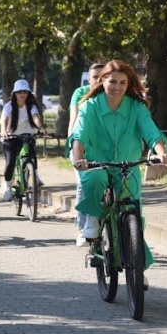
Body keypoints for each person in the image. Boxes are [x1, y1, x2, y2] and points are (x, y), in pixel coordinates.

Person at [69, 60, 167, 264]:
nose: (117, 87)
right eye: (112, 81)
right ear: (102, 81)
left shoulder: (136, 107)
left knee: (133, 214)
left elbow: (151, 133)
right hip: (96, 162)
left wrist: (162, 153)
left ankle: (138, 270)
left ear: (128, 84)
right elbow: (79, 134)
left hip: (128, 165)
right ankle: (92, 218)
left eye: (123, 83)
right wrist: (79, 157)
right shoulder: (90, 105)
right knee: (94, 179)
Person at [68, 63, 104, 246]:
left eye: (102, 76)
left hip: (105, 150)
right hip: (82, 147)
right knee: (84, 182)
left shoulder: (112, 95)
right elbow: (74, 120)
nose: (98, 80)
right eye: (94, 77)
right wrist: (72, 145)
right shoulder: (80, 94)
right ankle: (83, 229)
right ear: (88, 79)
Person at [0, 79, 46, 201]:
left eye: (25, 91)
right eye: (19, 92)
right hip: (10, 137)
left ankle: (34, 174)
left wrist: (41, 127)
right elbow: (4, 118)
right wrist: (3, 130)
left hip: (27, 135)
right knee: (10, 163)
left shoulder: (31, 106)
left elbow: (36, 117)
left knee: (31, 155)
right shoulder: (9, 106)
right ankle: (8, 187)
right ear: (14, 93)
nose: (22, 94)